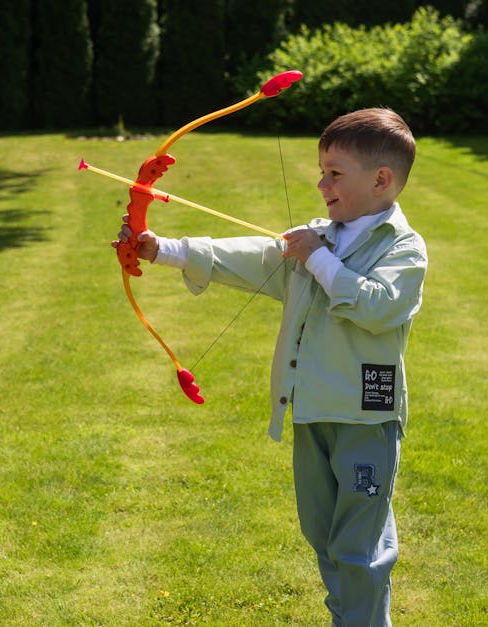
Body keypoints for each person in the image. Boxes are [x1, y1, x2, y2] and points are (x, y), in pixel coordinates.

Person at [113, 108, 427, 626]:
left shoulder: (403, 249)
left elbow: (377, 307)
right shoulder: (317, 238)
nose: (321, 184)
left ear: (381, 180)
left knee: (359, 549)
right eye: (321, 171)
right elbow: (251, 258)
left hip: (365, 418)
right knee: (325, 538)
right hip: (312, 412)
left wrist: (318, 259)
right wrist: (162, 248)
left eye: (334, 173)